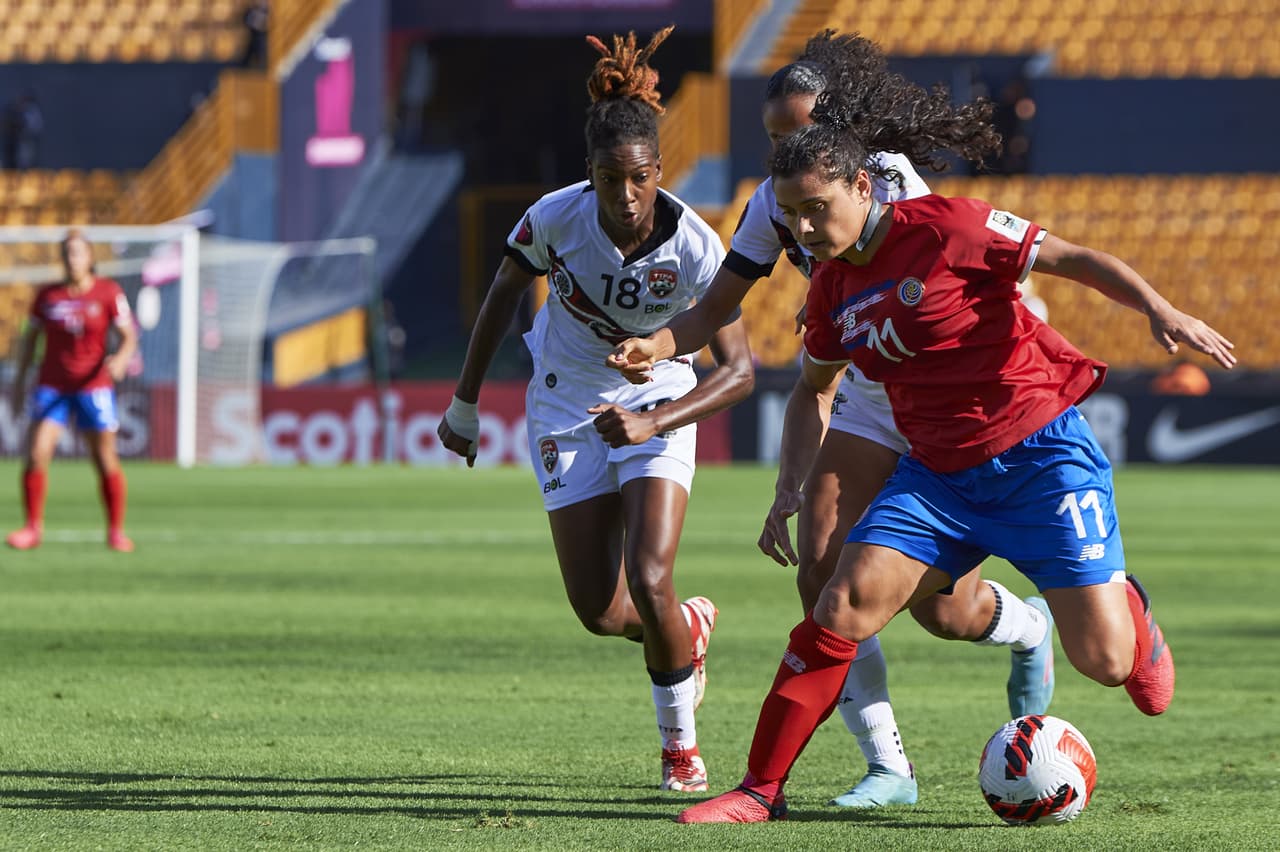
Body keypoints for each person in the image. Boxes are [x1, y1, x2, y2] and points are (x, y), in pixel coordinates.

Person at [669, 56, 1235, 823]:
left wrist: (1159, 309)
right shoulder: (832, 289)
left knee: (1106, 663)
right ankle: (758, 791)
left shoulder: (952, 227)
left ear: (862, 186)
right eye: (792, 215)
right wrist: (791, 486)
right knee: (839, 599)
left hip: (1042, 458)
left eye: (815, 211)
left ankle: (1126, 606)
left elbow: (1068, 258)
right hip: (939, 477)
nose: (802, 231)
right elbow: (813, 388)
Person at [608, 31, 1058, 809]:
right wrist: (658, 342)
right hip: (869, 389)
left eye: (800, 130)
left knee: (943, 610)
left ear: (841, 131)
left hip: (941, 386)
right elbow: (720, 304)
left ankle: (1028, 629)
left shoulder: (891, 186)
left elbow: (934, 296)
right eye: (775, 135)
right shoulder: (770, 203)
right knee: (820, 570)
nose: (787, 147)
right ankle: (889, 766)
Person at [436, 26, 755, 793]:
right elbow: (504, 292)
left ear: (658, 169)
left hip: (659, 400)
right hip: (566, 402)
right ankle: (689, 628)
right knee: (600, 610)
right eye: (610, 179)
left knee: (650, 577)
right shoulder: (555, 218)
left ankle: (680, 752)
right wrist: (465, 401)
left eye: (639, 177)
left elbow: (741, 372)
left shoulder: (697, 247)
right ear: (591, 174)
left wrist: (654, 419)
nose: (626, 194)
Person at [8, 229, 140, 552]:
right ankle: (32, 528)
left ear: (90, 257)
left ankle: (115, 530)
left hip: (93, 386)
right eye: (67, 253)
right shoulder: (47, 297)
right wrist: (19, 382)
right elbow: (30, 342)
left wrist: (122, 358)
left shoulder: (108, 293)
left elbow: (129, 335)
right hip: (52, 386)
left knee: (103, 456)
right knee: (37, 453)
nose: (72, 259)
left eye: (78, 252)